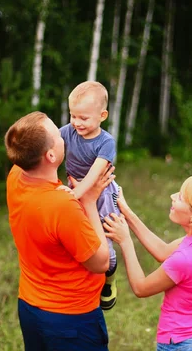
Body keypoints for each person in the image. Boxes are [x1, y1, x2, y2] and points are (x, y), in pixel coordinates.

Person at [5, 111, 114, 351]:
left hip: (31, 309)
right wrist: (88, 200)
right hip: (71, 321)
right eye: (58, 133)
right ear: (51, 155)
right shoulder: (62, 206)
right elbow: (100, 263)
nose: (66, 134)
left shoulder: (16, 176)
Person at [104, 176, 192, 351]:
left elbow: (141, 288)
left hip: (182, 344)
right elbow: (162, 251)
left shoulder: (185, 260)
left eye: (180, 197)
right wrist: (126, 212)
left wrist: (125, 241)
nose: (172, 196)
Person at [60, 81, 120, 310]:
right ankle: (78, 281)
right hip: (74, 191)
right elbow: (50, 144)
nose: (76, 122)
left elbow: (95, 174)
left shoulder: (106, 142)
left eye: (83, 118)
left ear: (102, 115)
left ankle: (109, 278)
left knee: (103, 239)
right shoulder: (69, 131)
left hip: (102, 193)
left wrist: (75, 195)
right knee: (75, 236)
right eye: (73, 116)